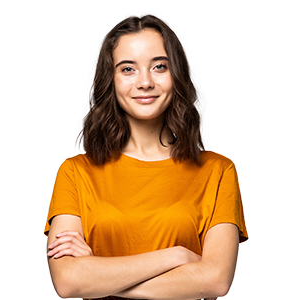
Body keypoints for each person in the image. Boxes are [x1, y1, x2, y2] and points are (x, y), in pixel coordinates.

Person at [44, 14, 248, 300]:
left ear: (176, 75)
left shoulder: (218, 171)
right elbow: (68, 282)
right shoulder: (76, 173)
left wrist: (99, 275)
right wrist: (175, 256)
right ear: (111, 80)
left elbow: (215, 281)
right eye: (128, 69)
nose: (145, 82)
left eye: (159, 66)